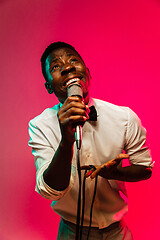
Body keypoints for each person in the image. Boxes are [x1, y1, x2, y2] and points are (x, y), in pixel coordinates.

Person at [28, 41, 153, 240]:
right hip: (70, 232)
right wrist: (65, 142)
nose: (68, 67)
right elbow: (50, 190)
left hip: (117, 233)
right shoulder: (39, 125)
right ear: (49, 86)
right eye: (56, 67)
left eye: (72, 61)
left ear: (87, 72)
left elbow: (146, 169)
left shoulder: (124, 117)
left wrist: (116, 172)